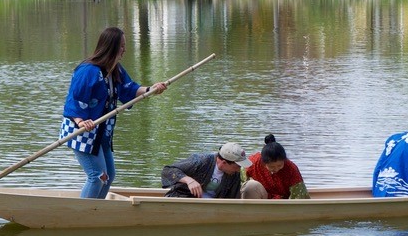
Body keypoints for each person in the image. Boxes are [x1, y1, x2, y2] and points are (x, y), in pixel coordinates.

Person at [61, 26, 167, 199]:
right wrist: (81, 121)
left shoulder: (115, 69)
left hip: (101, 132)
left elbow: (129, 88)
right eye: (121, 46)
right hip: (81, 130)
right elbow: (74, 100)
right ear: (110, 47)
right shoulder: (88, 71)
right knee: (97, 176)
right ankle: (84, 213)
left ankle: (97, 209)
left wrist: (151, 89)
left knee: (109, 175)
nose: (124, 50)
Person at [161, 143, 267, 199]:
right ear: (224, 163)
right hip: (183, 198)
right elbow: (168, 170)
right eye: (237, 166)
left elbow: (232, 199)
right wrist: (189, 180)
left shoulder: (234, 174)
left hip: (211, 208)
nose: (239, 170)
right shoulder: (201, 161)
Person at [246, 134, 308, 199]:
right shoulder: (253, 163)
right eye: (272, 167)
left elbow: (299, 194)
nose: (276, 169)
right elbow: (242, 176)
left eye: (280, 165)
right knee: (250, 185)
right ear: (264, 163)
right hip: (263, 198)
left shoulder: (291, 168)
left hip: (284, 202)